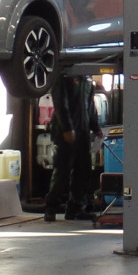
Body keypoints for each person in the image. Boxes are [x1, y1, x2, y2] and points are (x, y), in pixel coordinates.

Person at [43, 75, 100, 222]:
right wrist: (67, 128)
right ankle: (51, 207)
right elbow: (60, 103)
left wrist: (96, 127)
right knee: (62, 171)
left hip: (83, 130)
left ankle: (75, 208)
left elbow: (90, 105)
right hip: (65, 131)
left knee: (83, 170)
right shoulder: (64, 76)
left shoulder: (87, 79)